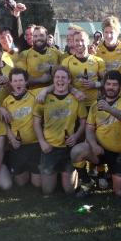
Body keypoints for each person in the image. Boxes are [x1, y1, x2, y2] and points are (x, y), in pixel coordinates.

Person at [70, 70, 121, 197]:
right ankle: (87, 181)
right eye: (108, 84)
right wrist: (93, 145)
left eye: (114, 84)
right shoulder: (95, 105)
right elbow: (89, 129)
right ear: (104, 85)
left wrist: (108, 108)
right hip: (100, 150)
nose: (111, 87)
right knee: (77, 151)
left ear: (120, 87)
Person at [33, 66, 87, 195]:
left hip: (67, 148)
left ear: (69, 80)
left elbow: (83, 122)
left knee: (69, 190)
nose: (60, 80)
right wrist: (42, 142)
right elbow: (36, 123)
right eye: (57, 77)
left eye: (63, 77)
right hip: (49, 148)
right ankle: (55, 175)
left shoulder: (76, 98)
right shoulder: (43, 97)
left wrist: (76, 135)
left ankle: (68, 176)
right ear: (53, 80)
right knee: (47, 190)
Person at [2, 68, 43, 188]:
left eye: (21, 80)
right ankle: (14, 170)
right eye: (15, 81)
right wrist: (11, 139)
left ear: (26, 82)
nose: (18, 83)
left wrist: (45, 92)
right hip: (18, 146)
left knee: (37, 184)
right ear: (10, 83)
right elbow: (5, 124)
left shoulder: (34, 94)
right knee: (21, 182)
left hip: (35, 145)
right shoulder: (6, 102)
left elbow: (52, 87)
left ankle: (35, 172)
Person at [61, 29, 105, 109]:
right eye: (77, 40)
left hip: (94, 104)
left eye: (82, 40)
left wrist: (95, 84)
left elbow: (105, 81)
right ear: (73, 42)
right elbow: (62, 83)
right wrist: (75, 91)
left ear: (88, 41)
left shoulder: (98, 61)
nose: (79, 43)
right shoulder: (66, 62)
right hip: (75, 104)